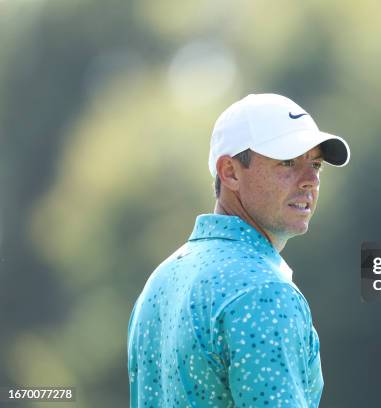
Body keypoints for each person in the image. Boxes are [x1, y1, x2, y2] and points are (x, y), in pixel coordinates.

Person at [128, 93, 350, 407]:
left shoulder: (161, 280)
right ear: (230, 172)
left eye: (315, 164)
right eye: (287, 162)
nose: (310, 180)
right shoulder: (265, 292)